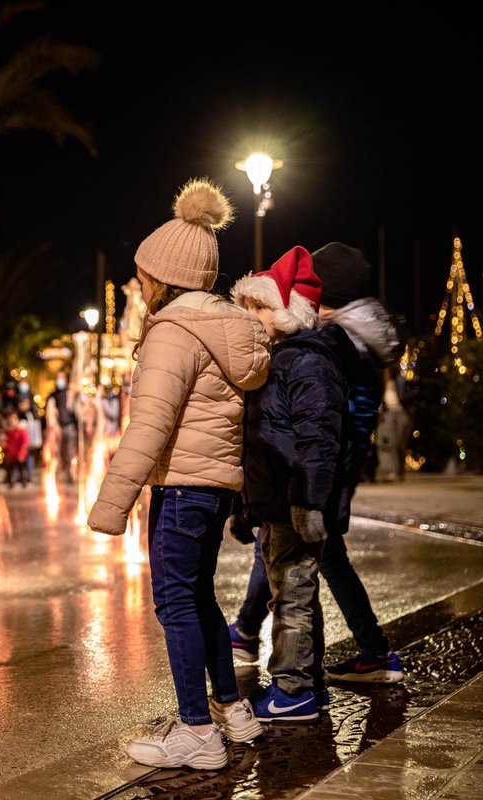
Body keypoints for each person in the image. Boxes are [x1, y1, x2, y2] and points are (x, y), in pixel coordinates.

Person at [87, 178, 270, 769]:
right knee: (199, 598)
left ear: (164, 276)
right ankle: (230, 710)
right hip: (211, 486)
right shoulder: (221, 325)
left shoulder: (173, 332)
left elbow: (149, 427)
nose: (138, 284)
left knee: (175, 604)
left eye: (143, 274)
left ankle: (196, 732)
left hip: (183, 487)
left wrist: (109, 504)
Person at [229, 242, 405, 686]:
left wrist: (316, 491)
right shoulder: (336, 339)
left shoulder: (321, 348)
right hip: (306, 476)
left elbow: (324, 425)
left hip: (315, 475)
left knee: (299, 574)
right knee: (294, 564)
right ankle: (300, 660)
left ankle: (298, 678)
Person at [231, 246, 358, 722]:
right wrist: (248, 509)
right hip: (278, 501)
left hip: (296, 501)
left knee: (292, 595)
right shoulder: (280, 359)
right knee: (292, 590)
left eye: (260, 307)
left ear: (289, 313)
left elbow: (319, 439)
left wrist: (309, 501)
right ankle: (309, 681)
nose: (251, 316)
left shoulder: (306, 361)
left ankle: (293, 687)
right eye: (247, 306)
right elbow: (262, 441)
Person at [1, 410, 29, 488]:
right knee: (10, 470)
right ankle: (11, 483)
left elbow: (25, 443)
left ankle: (24, 483)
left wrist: (22, 454)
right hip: (11, 454)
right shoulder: (8, 431)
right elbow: (6, 442)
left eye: (14, 419)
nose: (12, 421)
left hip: (19, 454)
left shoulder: (21, 431)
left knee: (22, 469)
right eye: (11, 420)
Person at [18, 397, 42, 479]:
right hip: (19, 443)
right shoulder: (18, 414)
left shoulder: (31, 414)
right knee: (20, 459)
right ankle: (19, 477)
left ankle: (29, 476)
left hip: (29, 441)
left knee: (29, 457)